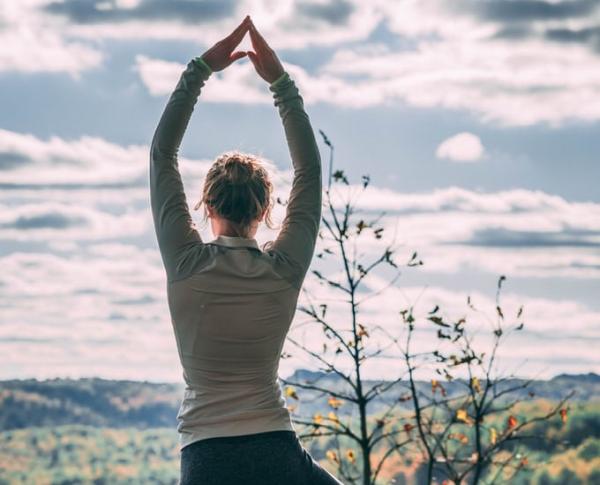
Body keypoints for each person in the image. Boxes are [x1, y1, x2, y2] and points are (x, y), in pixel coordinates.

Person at [149, 14, 344, 485]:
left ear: (205, 203)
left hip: (206, 457)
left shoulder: (185, 262)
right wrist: (281, 84)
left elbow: (162, 154)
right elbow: (310, 173)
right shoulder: (283, 269)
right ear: (266, 210)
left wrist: (199, 70)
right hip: (275, 449)